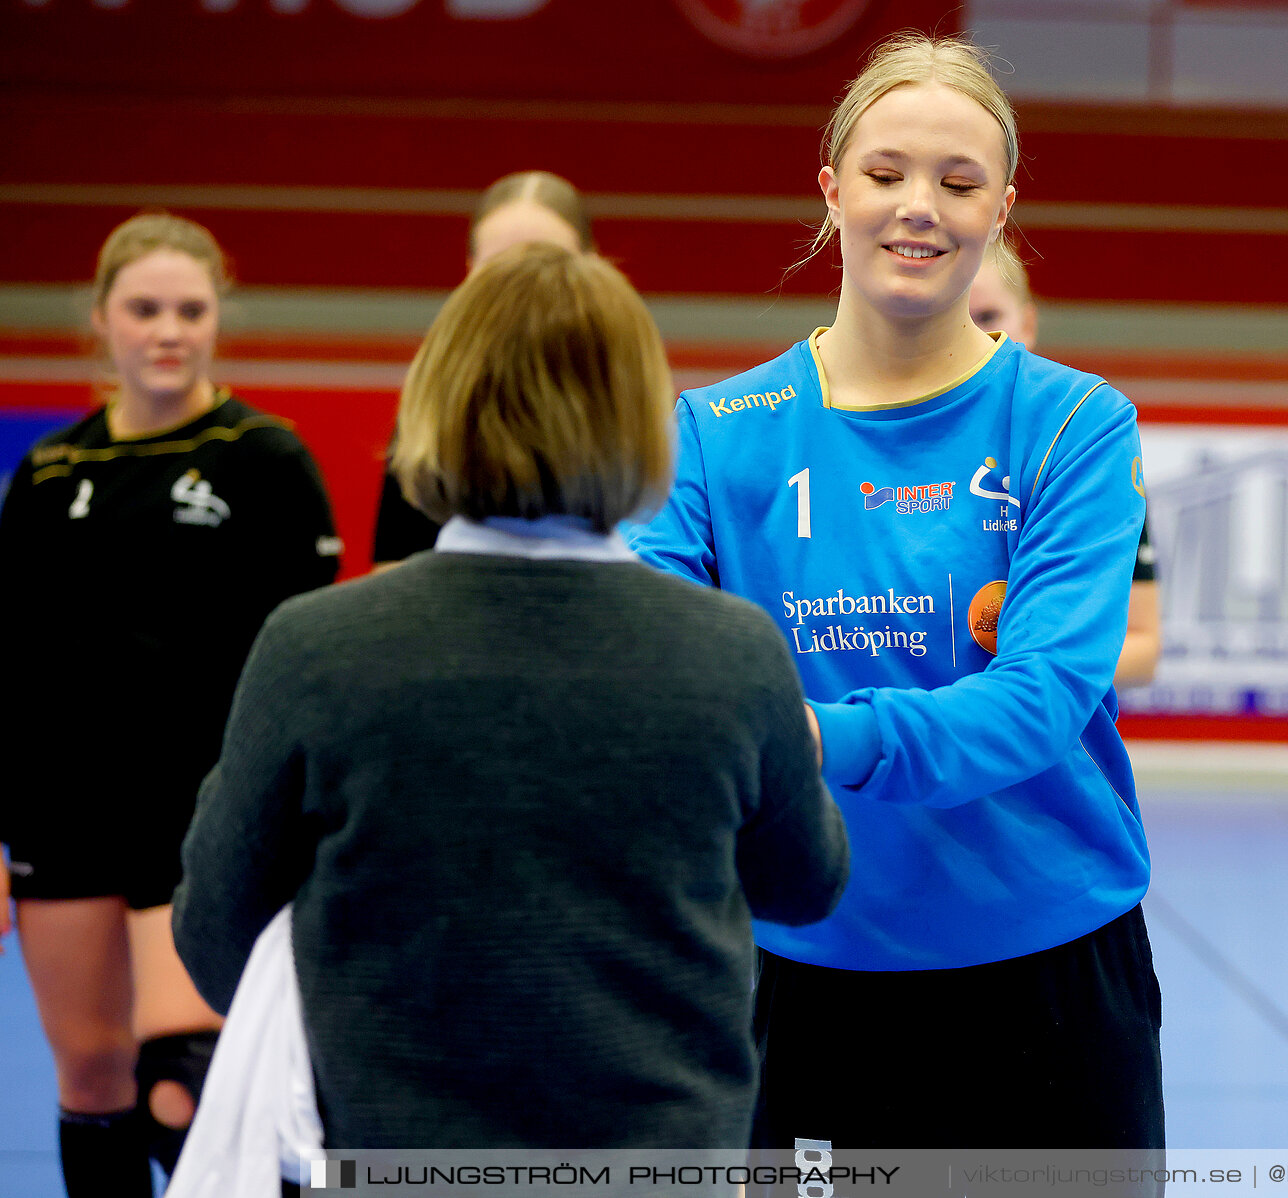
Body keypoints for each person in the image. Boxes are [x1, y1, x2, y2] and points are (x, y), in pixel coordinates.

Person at [172, 242, 849, 1150]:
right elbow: (807, 885)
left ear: (439, 404)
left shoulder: (318, 648)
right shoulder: (733, 655)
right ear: (637, 419)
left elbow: (216, 931)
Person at [627, 32, 1163, 1152]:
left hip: (1050, 972)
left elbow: (1043, 697)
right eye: (885, 174)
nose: (919, 207)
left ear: (1002, 210)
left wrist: (801, 734)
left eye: (960, 183)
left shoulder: (1073, 424)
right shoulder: (716, 437)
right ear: (832, 190)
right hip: (800, 972)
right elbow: (650, 671)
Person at [0, 212, 341, 1197]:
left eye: (190, 310)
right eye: (144, 309)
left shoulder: (264, 457)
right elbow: (12, 655)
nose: (168, 330)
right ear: (100, 319)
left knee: (181, 1085)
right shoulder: (51, 470)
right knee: (92, 1080)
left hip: (198, 812)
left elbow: (307, 654)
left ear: (217, 318)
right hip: (60, 811)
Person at [370, 169, 595, 568]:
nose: (519, 286)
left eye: (545, 264)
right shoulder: (429, 411)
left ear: (590, 266)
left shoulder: (632, 403)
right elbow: (392, 572)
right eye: (499, 267)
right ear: (469, 269)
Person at [968, 241, 1162, 687]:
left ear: (1029, 322)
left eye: (990, 317)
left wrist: (1014, 685)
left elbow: (1142, 648)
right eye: (956, 318)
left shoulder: (1086, 448)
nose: (975, 336)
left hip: (1037, 736)